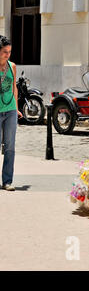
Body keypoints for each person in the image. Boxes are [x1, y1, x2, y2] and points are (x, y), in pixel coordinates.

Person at [0, 35, 22, 191]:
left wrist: (17, 107)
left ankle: (7, 181)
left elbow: (14, 87)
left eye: (9, 51)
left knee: (10, 147)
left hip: (10, 110)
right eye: (4, 51)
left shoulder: (12, 66)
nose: (8, 55)